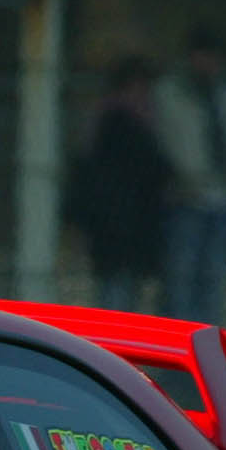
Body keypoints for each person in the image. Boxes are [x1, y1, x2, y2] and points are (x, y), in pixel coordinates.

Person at [153, 25, 226, 324]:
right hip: (185, 200)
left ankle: (203, 352)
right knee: (180, 282)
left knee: (213, 284)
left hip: (223, 201)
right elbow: (171, 143)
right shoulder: (170, 95)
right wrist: (187, 178)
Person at [70, 55, 172, 313]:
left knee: (119, 292)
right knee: (117, 297)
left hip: (119, 230)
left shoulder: (103, 121)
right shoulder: (122, 125)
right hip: (120, 228)